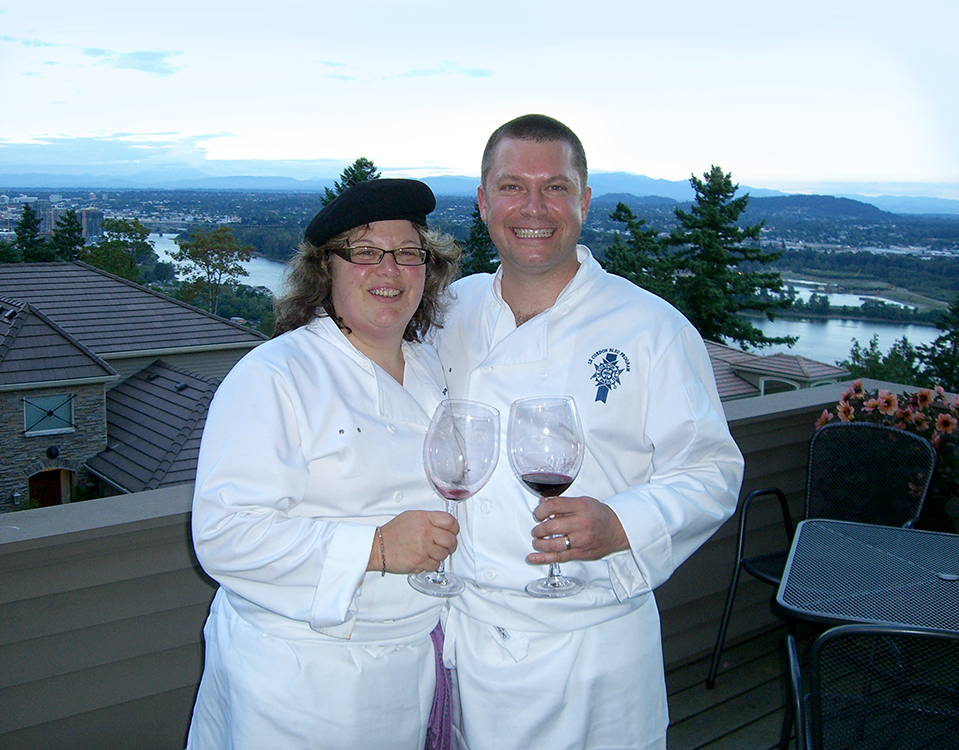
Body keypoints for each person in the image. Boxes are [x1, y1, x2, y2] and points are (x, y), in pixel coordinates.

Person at [436, 115, 745, 750]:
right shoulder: (449, 311)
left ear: (583, 200)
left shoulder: (650, 328)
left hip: (591, 647)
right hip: (471, 635)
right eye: (512, 186)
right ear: (483, 200)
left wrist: (623, 522)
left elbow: (714, 472)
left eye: (555, 187)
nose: (533, 207)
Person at [187, 179, 463, 750]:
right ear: (325, 270)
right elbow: (224, 534)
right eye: (363, 252)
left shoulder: (431, 367)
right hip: (302, 682)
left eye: (408, 253)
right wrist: (377, 548)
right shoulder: (275, 375)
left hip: (408, 663)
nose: (389, 269)